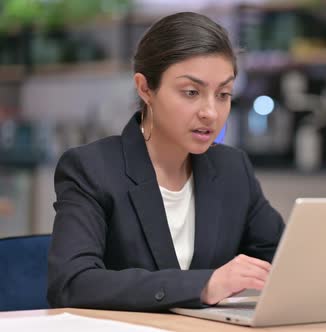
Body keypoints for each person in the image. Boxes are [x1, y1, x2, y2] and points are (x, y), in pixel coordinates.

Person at [47, 12, 284, 311]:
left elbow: (283, 259)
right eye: (191, 92)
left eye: (223, 94)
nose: (211, 112)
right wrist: (203, 285)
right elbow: (71, 284)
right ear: (145, 88)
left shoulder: (232, 169)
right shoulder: (91, 169)